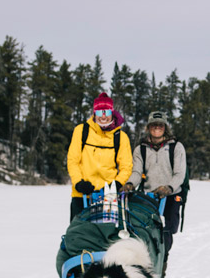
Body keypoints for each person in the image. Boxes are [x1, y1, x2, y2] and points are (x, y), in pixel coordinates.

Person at [128, 111, 186, 261]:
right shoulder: (140, 149)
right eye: (154, 125)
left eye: (160, 125)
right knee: (144, 229)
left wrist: (168, 188)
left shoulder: (176, 147)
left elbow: (180, 174)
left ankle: (162, 261)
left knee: (167, 231)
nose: (157, 128)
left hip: (171, 195)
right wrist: (129, 184)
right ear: (148, 127)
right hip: (149, 196)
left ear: (165, 127)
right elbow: (136, 172)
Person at [66, 93, 132, 221]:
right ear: (94, 112)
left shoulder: (120, 136)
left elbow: (126, 166)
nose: (103, 116)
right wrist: (79, 183)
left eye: (106, 111)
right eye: (99, 111)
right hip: (82, 194)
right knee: (79, 235)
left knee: (106, 235)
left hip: (108, 196)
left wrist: (117, 184)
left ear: (112, 112)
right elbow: (73, 160)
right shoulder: (81, 130)